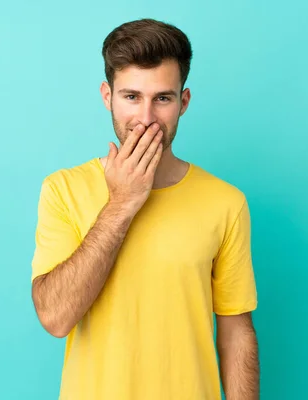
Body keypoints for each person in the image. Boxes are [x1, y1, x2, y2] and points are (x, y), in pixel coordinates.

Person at [31, 18, 259, 400]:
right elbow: (55, 318)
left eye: (163, 98)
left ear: (183, 102)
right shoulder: (62, 190)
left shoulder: (225, 202)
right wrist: (122, 203)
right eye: (132, 97)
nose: (147, 118)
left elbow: (236, 331)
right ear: (108, 96)